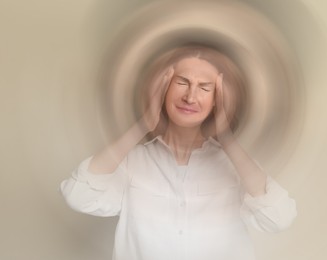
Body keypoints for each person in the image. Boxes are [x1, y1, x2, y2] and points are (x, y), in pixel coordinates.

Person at [61, 45, 297, 260]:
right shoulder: (132, 162)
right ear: (163, 88)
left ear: (218, 99)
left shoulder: (236, 166)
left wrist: (226, 138)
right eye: (182, 82)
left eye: (205, 87)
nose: (190, 96)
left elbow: (279, 218)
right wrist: (143, 125)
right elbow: (79, 196)